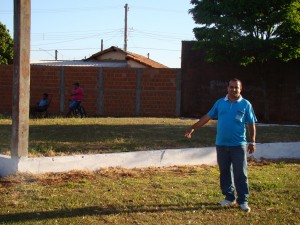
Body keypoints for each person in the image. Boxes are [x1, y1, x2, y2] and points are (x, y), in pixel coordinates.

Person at [184, 78, 257, 213]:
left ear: (241, 89)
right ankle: (229, 198)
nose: (234, 89)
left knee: (240, 173)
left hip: (238, 145)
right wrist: (193, 127)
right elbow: (207, 117)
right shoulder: (220, 103)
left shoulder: (246, 104)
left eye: (236, 87)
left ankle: (243, 201)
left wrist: (252, 141)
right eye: (231, 87)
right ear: (227, 88)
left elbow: (251, 124)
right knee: (224, 172)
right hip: (221, 145)